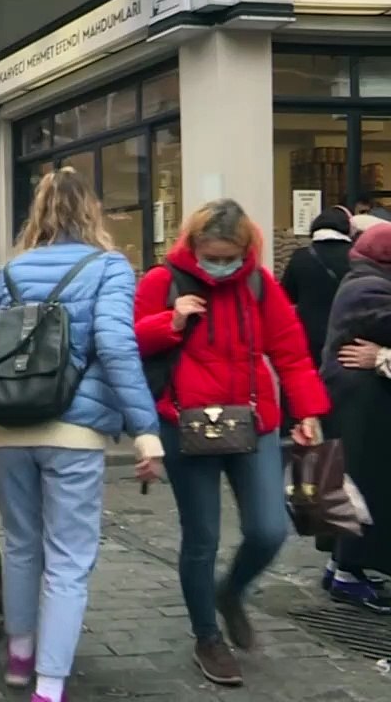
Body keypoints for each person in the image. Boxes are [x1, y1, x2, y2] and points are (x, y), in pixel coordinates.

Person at [0, 168, 163, 702]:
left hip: (3, 427)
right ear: (92, 212)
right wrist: (145, 431)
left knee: (20, 545)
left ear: (38, 214)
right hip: (73, 432)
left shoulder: (10, 271)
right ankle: (50, 685)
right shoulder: (109, 267)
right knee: (67, 558)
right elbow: (115, 346)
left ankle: (19, 659)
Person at [134, 199, 329, 687]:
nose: (220, 265)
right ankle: (208, 637)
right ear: (193, 245)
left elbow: (290, 349)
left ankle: (231, 592)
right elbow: (129, 342)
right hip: (184, 424)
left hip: (253, 422)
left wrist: (306, 411)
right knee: (201, 538)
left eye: (229, 256)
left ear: (245, 250)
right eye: (211, 254)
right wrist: (171, 321)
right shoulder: (163, 282)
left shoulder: (258, 284)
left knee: (269, 529)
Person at [317, 223, 391, 611]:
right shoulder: (370, 287)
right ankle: (349, 571)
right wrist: (381, 355)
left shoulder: (362, 279)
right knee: (362, 486)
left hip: (356, 401)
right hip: (363, 406)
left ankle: (341, 565)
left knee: (351, 486)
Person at [281, 207, 353, 368]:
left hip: (309, 335)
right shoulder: (356, 256)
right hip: (348, 336)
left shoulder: (301, 256)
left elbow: (286, 295)